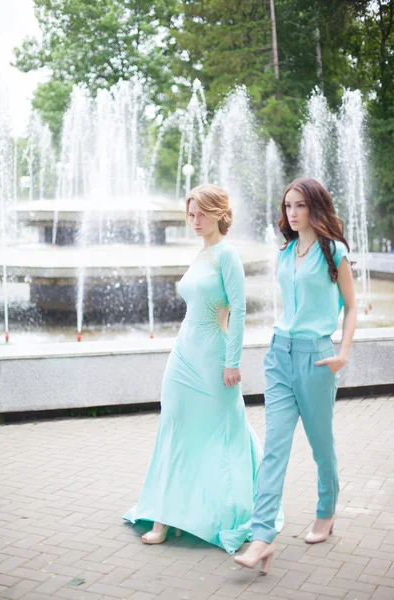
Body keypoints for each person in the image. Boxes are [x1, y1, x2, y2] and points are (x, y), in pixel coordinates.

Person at [123, 183, 283, 554]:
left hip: (214, 355)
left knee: (223, 431)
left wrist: (232, 361)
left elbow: (239, 310)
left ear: (218, 213)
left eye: (201, 214)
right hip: (183, 354)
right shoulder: (201, 254)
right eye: (190, 214)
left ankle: (230, 508)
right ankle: (164, 516)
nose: (194, 221)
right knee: (174, 426)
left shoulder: (227, 255)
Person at [235, 177, 357, 573]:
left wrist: (342, 355)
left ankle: (326, 511)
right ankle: (261, 538)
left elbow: (352, 308)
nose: (292, 212)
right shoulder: (286, 252)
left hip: (317, 358)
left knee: (322, 445)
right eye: (288, 206)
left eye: (300, 205)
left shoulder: (334, 252)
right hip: (280, 354)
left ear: (315, 207)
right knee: (274, 448)